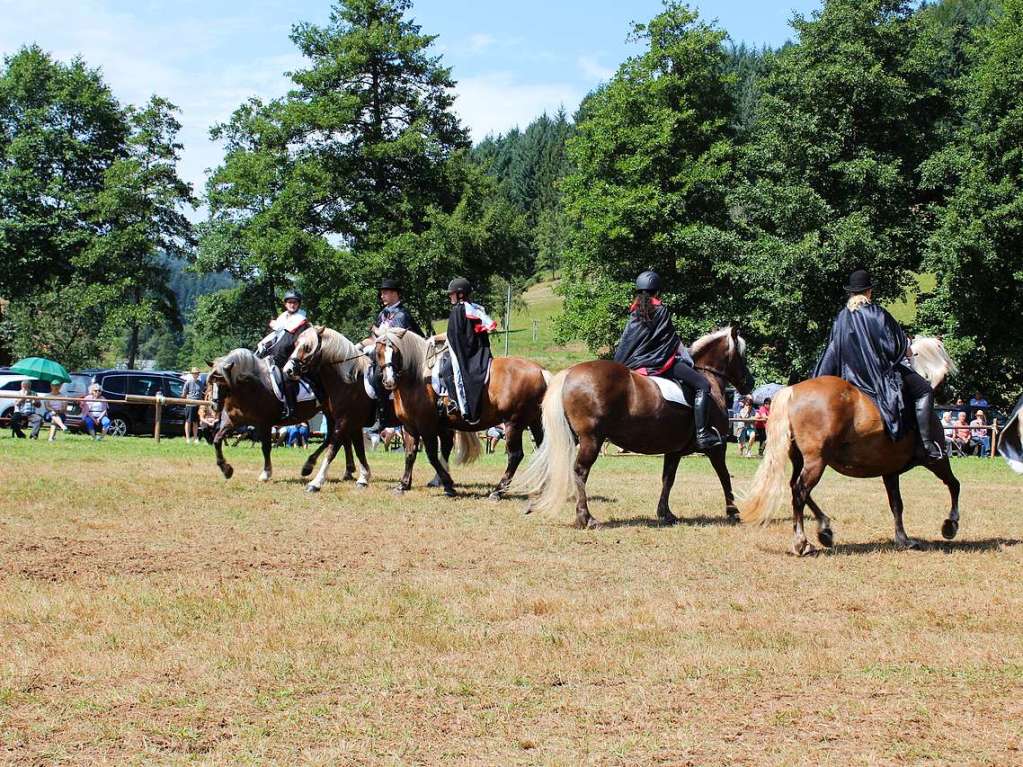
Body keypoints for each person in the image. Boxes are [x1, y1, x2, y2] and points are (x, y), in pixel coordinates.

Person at [814, 268, 943, 463]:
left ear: (851, 292)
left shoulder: (841, 317)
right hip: (877, 374)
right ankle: (926, 445)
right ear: (869, 291)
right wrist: (907, 351)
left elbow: (832, 349)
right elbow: (895, 345)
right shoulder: (877, 313)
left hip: (848, 375)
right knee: (924, 391)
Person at [612, 270, 722, 450]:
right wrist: (687, 359)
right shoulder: (661, 311)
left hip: (634, 365)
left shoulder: (634, 313)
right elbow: (671, 341)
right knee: (702, 384)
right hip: (659, 363)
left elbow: (626, 342)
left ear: (638, 291)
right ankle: (702, 434)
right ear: (657, 291)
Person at [362, 278, 425, 430]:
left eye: (385, 293)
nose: (382, 296)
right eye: (381, 293)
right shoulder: (383, 313)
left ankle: (384, 417)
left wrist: (378, 333)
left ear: (396, 294)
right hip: (386, 352)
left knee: (378, 375)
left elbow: (394, 338)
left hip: (405, 358)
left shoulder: (401, 315)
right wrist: (360, 345)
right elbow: (376, 337)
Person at [442, 277, 497, 425]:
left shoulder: (458, 311)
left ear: (460, 294)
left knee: (446, 371)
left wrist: (433, 339)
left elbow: (453, 336)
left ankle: (456, 404)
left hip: (466, 355)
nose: (450, 296)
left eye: (452, 293)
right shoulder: (475, 309)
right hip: (481, 352)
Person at [257, 289, 310, 418]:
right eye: (290, 302)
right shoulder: (283, 317)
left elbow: (288, 334)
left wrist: (277, 325)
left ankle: (291, 409)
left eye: (295, 302)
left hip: (292, 356)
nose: (292, 304)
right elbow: (275, 335)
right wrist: (262, 344)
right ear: (285, 304)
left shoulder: (301, 319)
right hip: (275, 355)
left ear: (299, 304)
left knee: (286, 376)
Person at [182, 367, 203, 444]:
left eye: (197, 373)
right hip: (189, 404)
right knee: (188, 421)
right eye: (194, 373)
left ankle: (195, 438)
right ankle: (187, 438)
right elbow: (184, 393)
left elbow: (201, 394)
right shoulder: (188, 382)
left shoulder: (200, 383)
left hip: (198, 404)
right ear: (192, 374)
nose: (196, 375)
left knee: (196, 422)